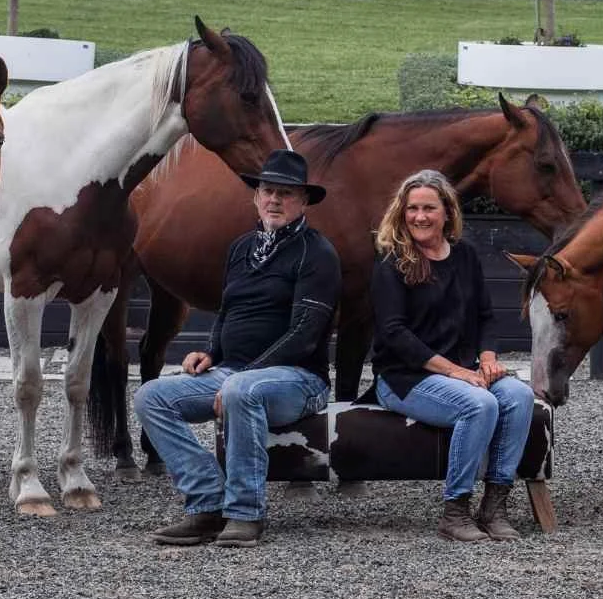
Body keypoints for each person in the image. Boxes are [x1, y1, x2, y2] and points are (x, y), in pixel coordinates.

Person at [133, 149, 340, 548]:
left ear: (304, 201)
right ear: (255, 197)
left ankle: (246, 512)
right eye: (267, 191)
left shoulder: (318, 253)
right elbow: (229, 310)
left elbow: (306, 332)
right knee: (151, 397)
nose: (274, 200)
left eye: (286, 193)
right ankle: (207, 501)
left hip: (298, 379)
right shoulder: (241, 248)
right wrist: (211, 351)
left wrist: (243, 376)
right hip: (235, 373)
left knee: (239, 391)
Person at [369, 169, 535, 542]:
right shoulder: (391, 265)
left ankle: (494, 508)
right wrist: (456, 372)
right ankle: (455, 510)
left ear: (447, 212)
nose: (419, 217)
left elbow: (484, 317)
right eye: (412, 209)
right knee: (479, 405)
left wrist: (488, 357)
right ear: (401, 213)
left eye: (429, 208)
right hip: (404, 378)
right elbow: (394, 335)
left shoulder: (466, 257)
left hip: (463, 370)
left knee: (520, 396)